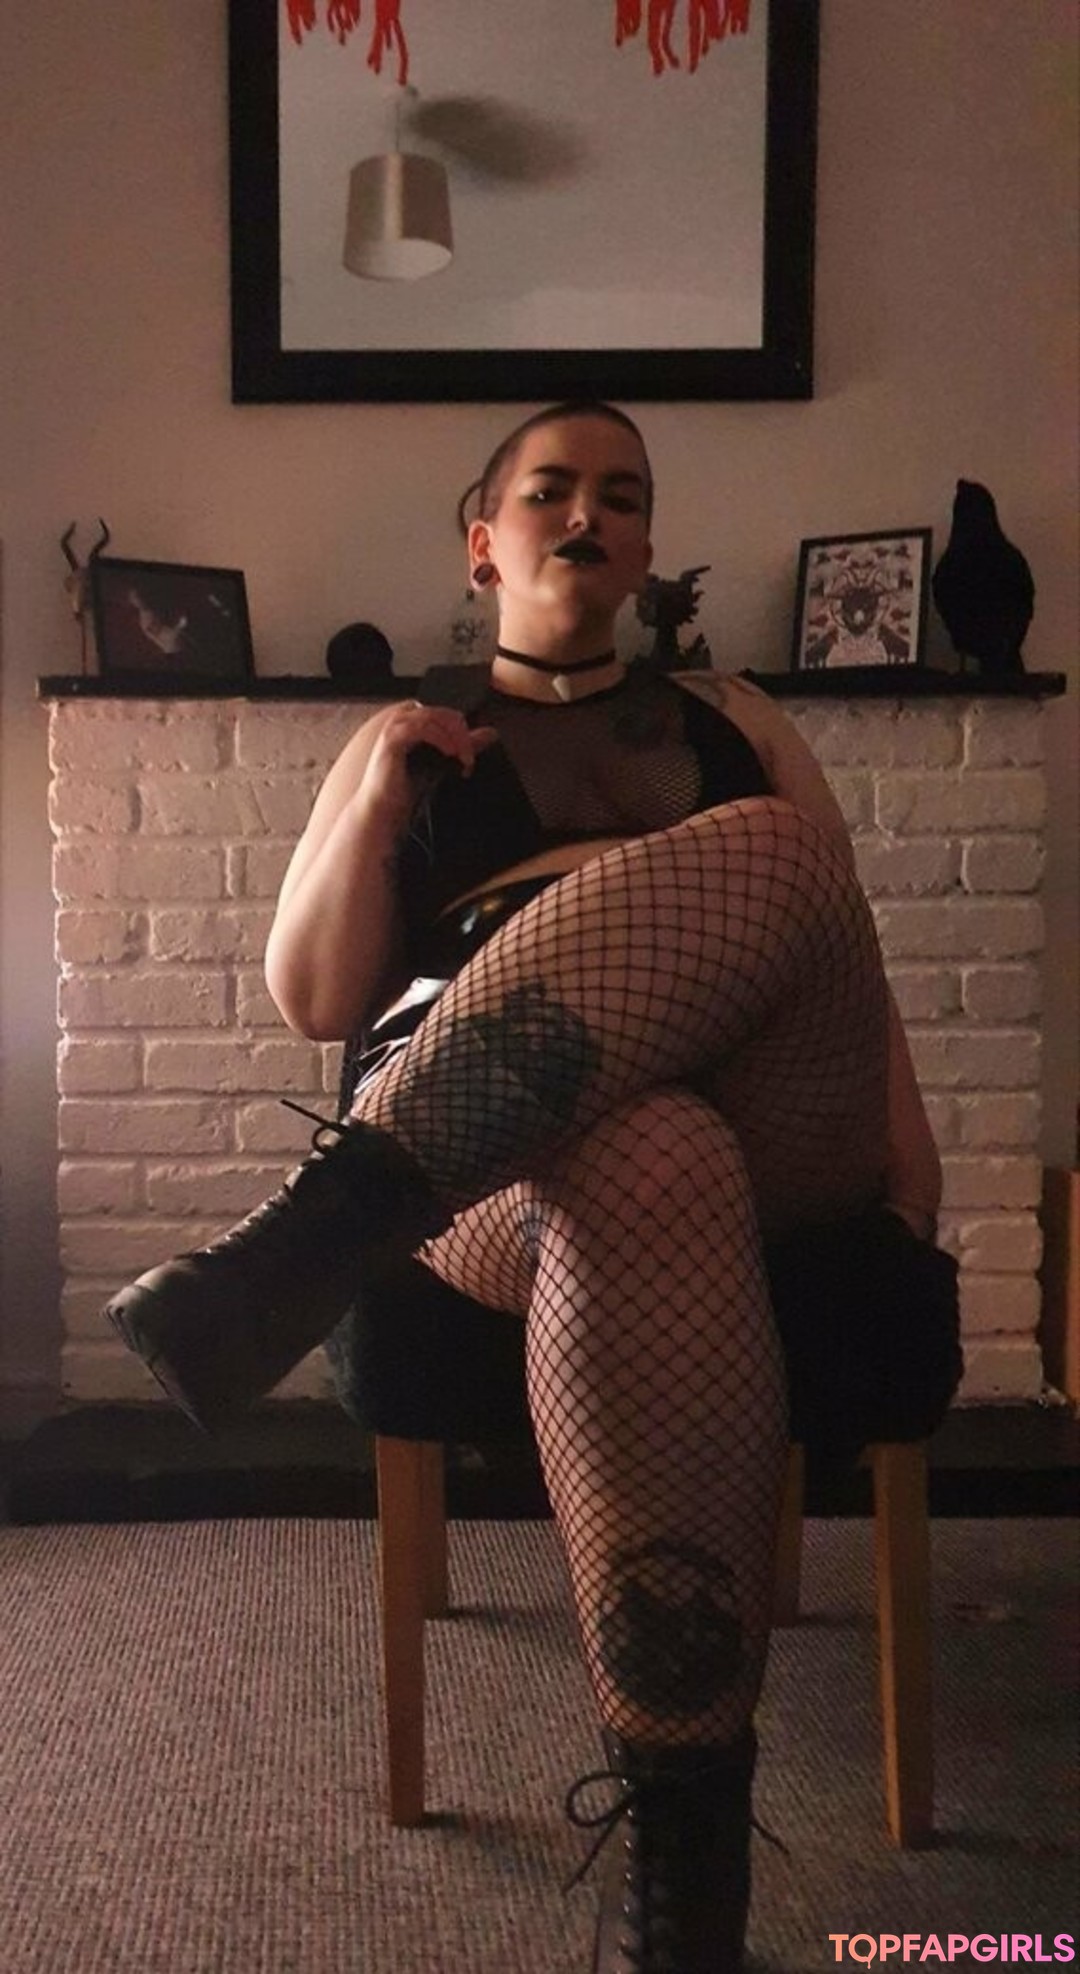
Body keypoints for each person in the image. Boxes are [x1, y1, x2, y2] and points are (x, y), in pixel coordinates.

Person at [105, 402, 961, 1973]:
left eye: (619, 496)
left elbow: (850, 962)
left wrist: (913, 1182)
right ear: (482, 541)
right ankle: (686, 1868)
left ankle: (303, 1246)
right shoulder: (410, 737)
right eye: (549, 490)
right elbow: (315, 997)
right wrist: (380, 794)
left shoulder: (736, 723)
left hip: (772, 1109)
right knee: (647, 1148)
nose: (587, 514)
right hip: (504, 1160)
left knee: (779, 852)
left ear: (643, 548)